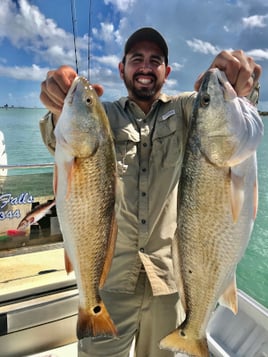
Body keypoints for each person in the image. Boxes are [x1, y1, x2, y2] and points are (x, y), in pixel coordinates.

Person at [39, 27, 261, 357]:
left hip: (169, 282)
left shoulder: (188, 109)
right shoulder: (103, 116)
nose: (145, 66)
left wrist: (242, 83)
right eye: (136, 59)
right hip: (111, 279)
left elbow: (226, 116)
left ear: (167, 71)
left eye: (154, 60)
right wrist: (58, 105)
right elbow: (60, 138)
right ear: (122, 68)